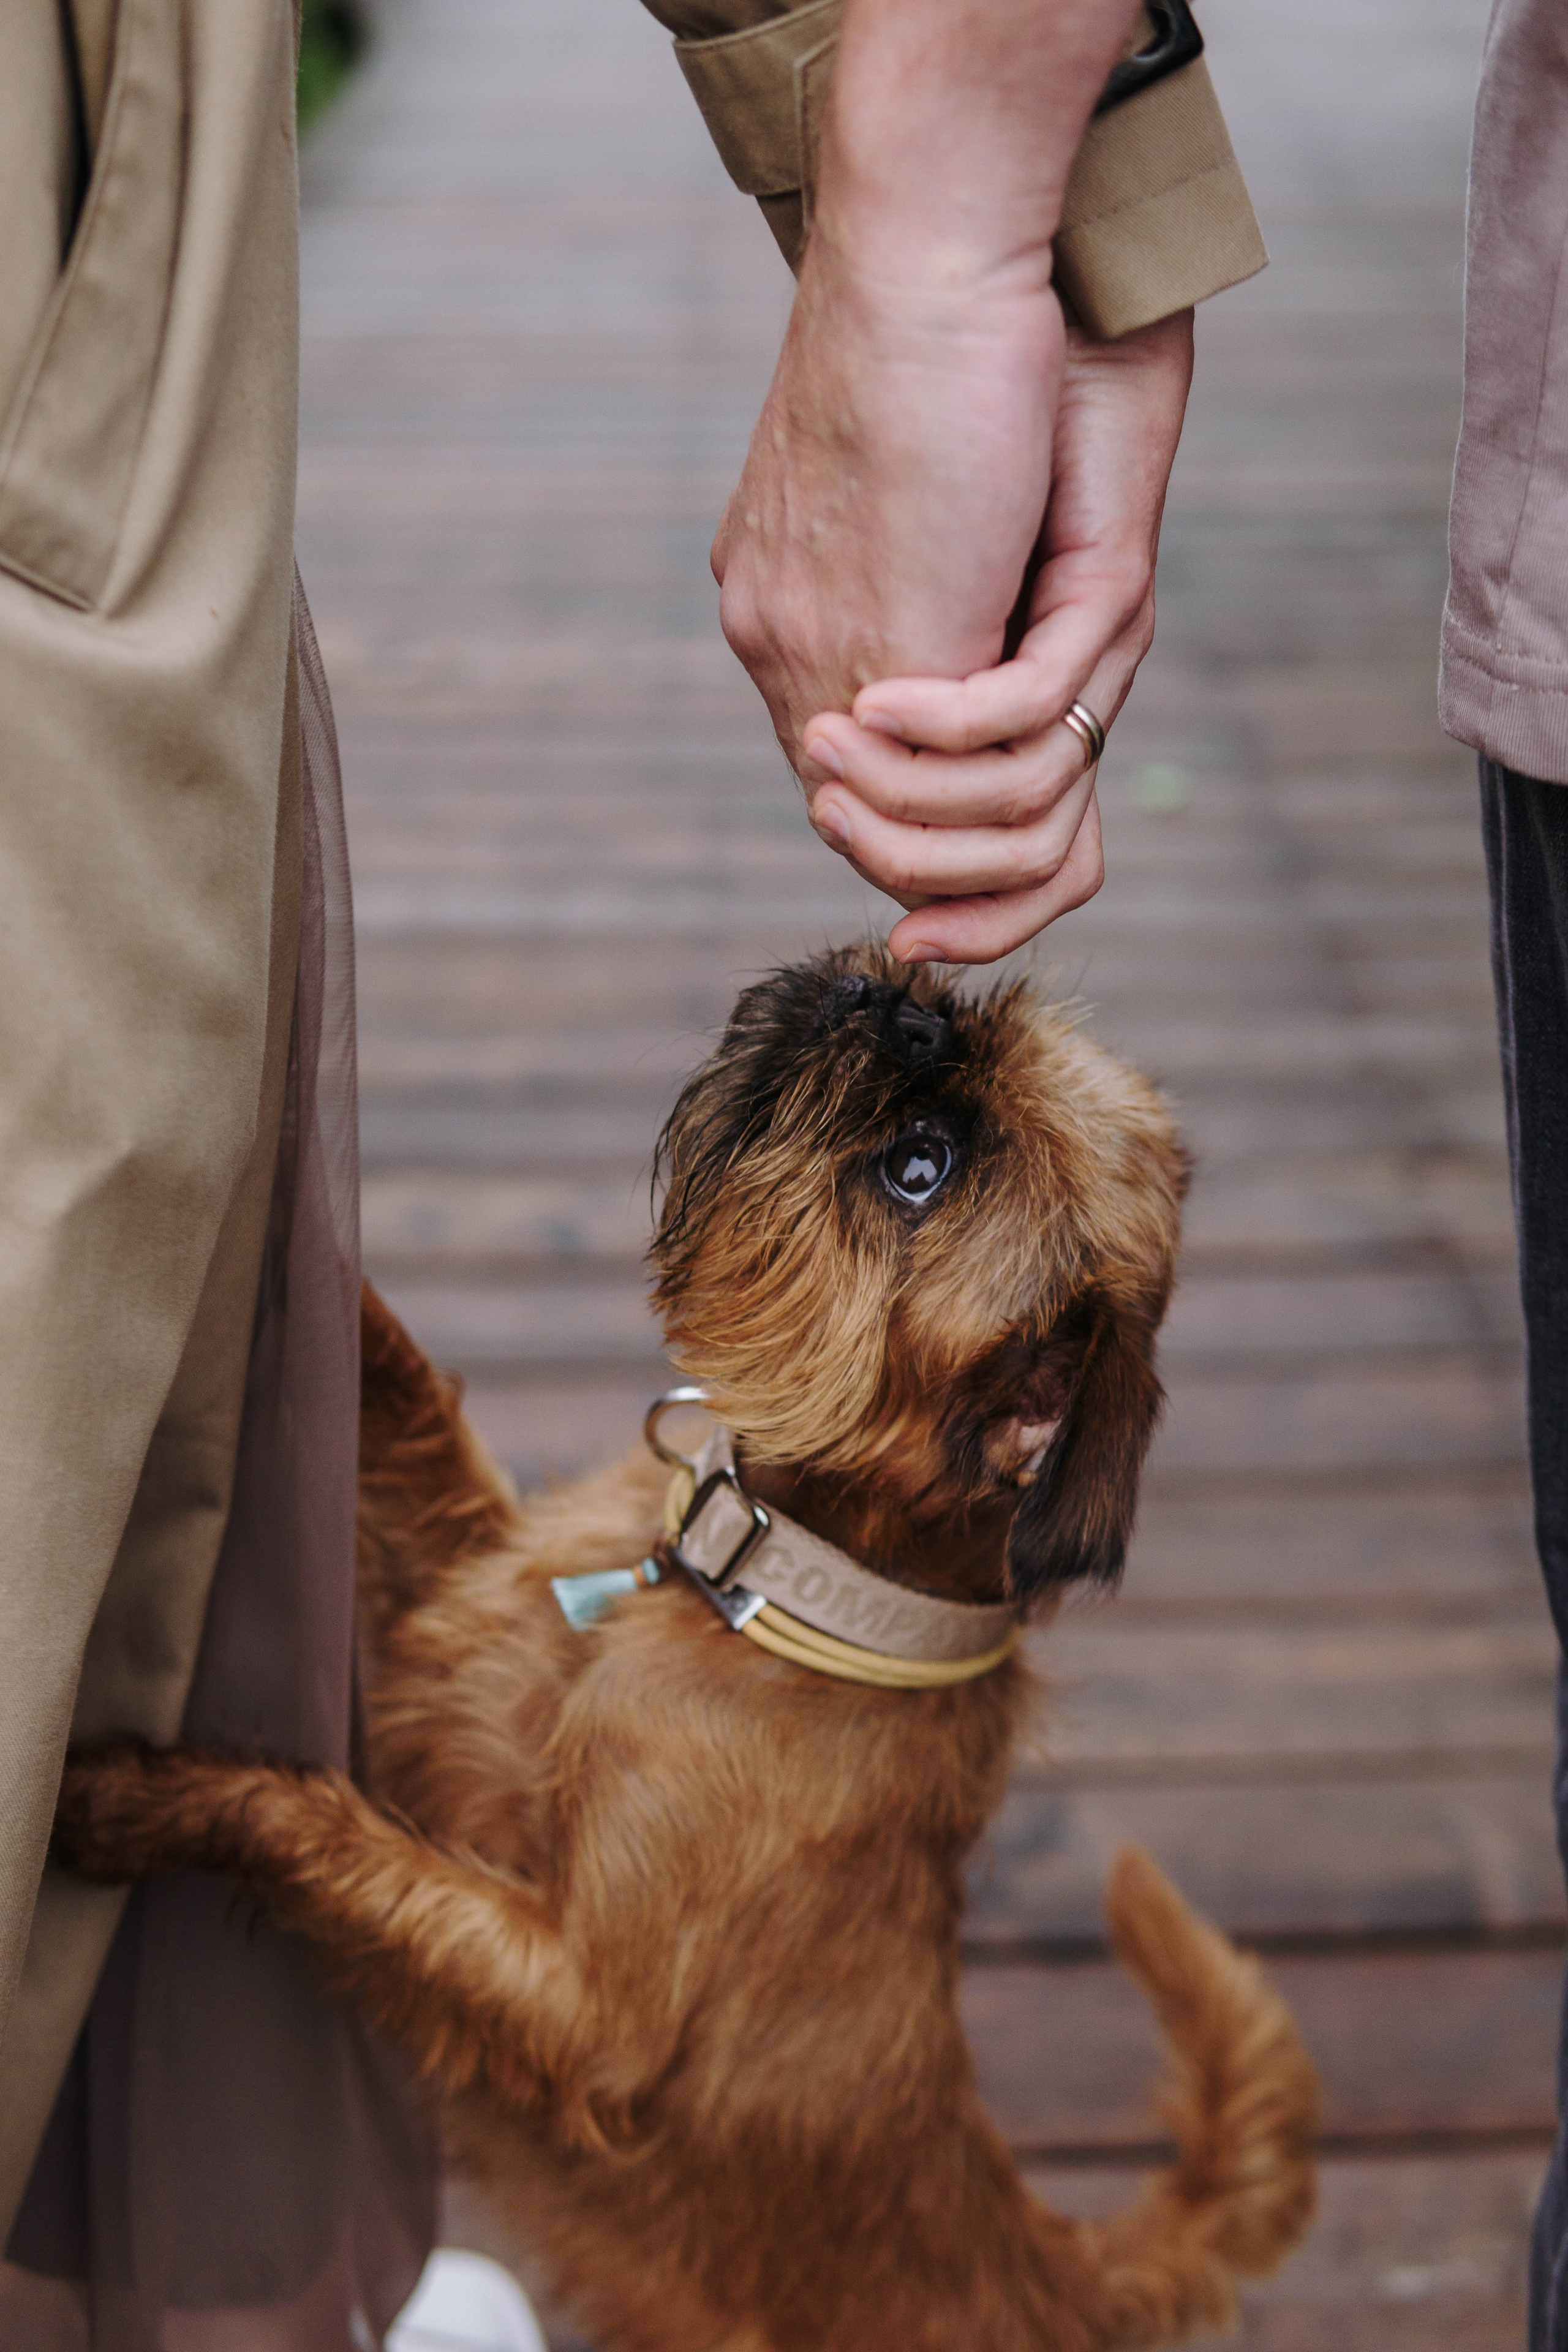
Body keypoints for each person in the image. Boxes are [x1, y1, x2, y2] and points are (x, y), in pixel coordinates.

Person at [0, 0, 1259, 2344]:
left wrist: (253, 1816)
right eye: (945, 1080)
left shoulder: (803, 1701)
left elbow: (584, 2029)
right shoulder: (734, 1544)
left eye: (908, 1160)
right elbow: (494, 1586)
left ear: (994, 1437)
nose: (887, 1037)